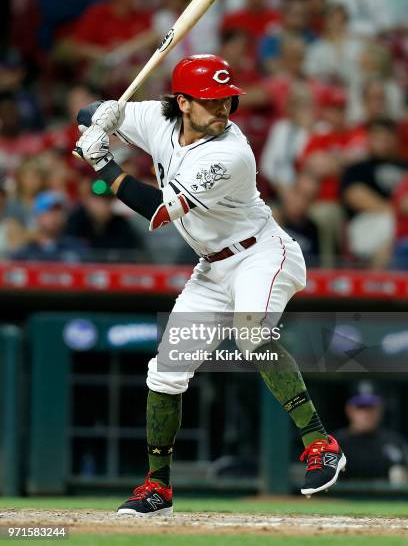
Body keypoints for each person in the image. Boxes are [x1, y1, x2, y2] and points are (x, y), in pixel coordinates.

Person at [75, 54, 346, 516]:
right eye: (212, 101)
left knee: (251, 334)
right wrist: (99, 114)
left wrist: (101, 161)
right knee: (165, 374)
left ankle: (322, 443)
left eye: (227, 100)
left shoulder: (230, 152)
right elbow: (94, 113)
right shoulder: (154, 119)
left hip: (261, 253)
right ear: (182, 103)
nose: (223, 109)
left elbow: (158, 212)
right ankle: (157, 488)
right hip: (212, 268)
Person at [340, 118, 408, 267]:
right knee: (388, 224)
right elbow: (355, 195)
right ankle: (375, 281)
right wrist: (396, 211)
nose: (382, 141)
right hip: (367, 223)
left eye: (387, 137)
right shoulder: (359, 167)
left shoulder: (404, 166)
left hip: (400, 225)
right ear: (369, 139)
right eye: (377, 137)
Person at [335, 392, 408, 482]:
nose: (367, 414)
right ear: (349, 411)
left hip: (385, 495)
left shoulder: (395, 441)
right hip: (343, 496)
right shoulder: (336, 443)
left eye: (372, 408)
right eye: (361, 408)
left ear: (381, 411)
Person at [12, 190, 87, 262]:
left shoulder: (77, 249)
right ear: (37, 216)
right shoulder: (24, 254)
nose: (55, 216)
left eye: (59, 211)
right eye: (49, 211)